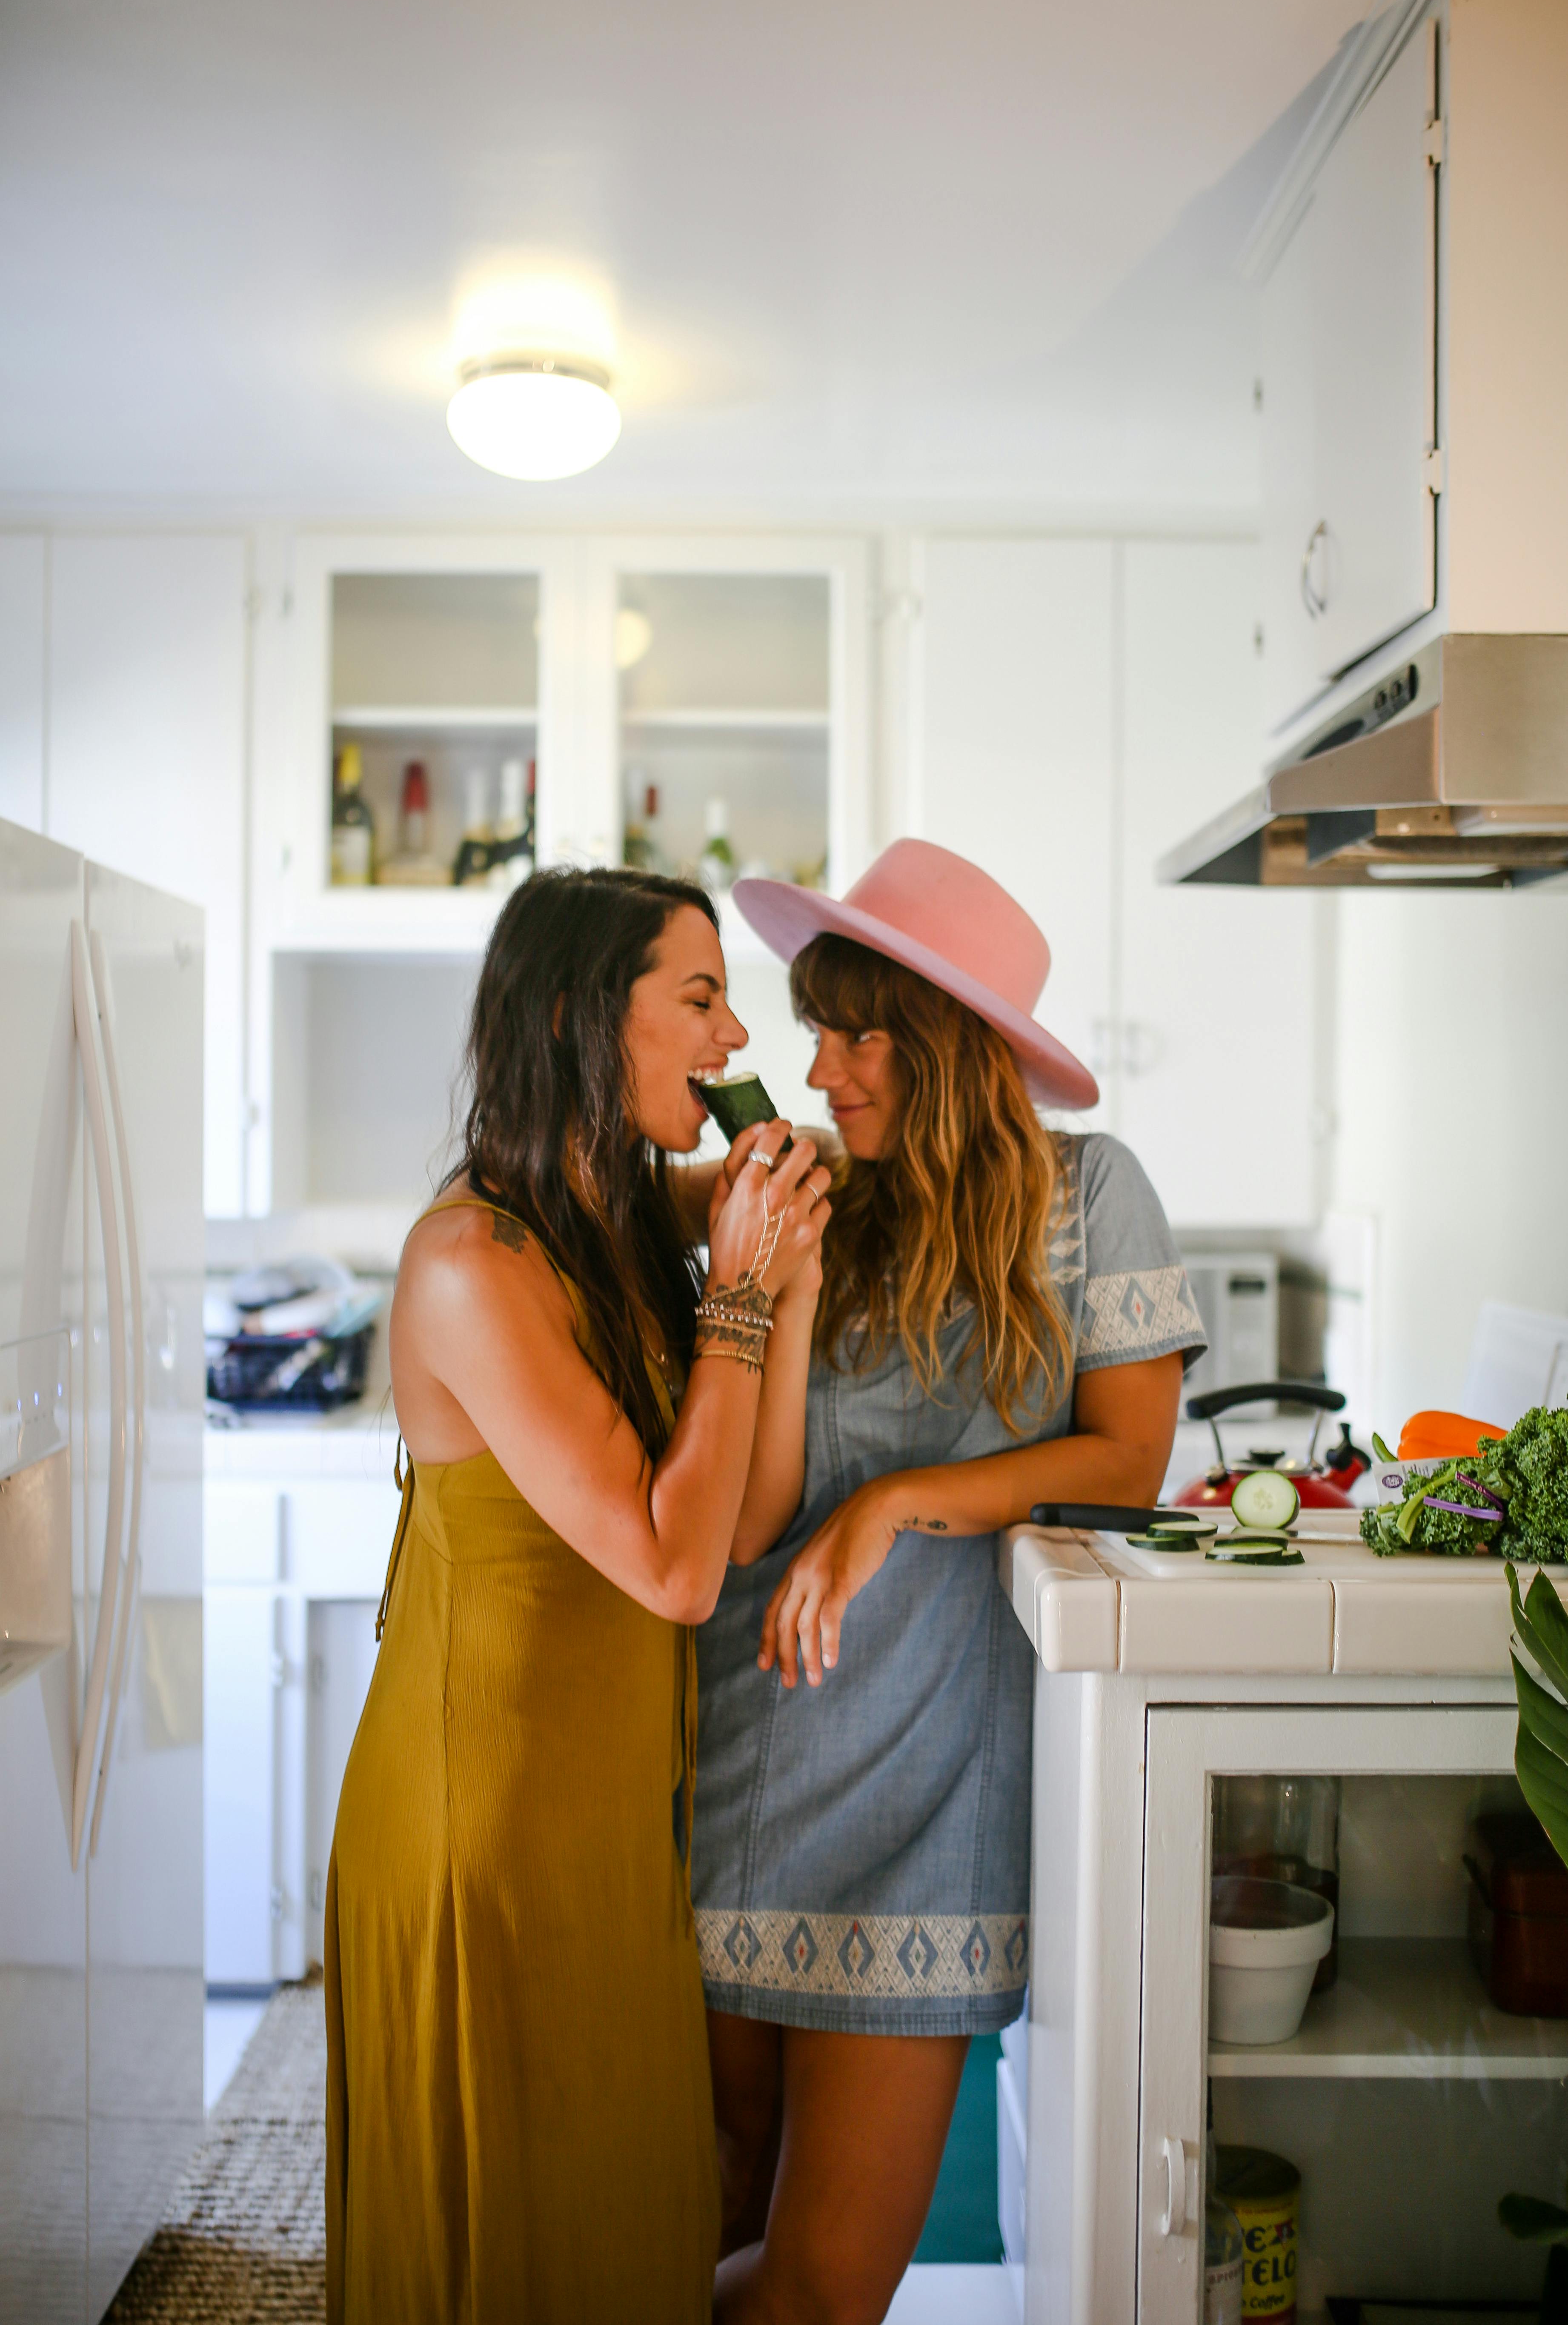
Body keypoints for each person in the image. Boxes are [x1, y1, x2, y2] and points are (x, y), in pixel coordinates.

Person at [691, 838, 1207, 2325]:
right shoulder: (817, 1206)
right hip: (756, 1759)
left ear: (958, 1047)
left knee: (824, 2289)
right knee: (682, 2235)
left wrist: (907, 1505)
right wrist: (776, 1290)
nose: (826, 1070)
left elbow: (1125, 1457)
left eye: (864, 1035)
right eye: (820, 1032)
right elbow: (753, 1525)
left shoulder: (1090, 1196)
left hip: (940, 1798)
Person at [323, 868, 832, 2325]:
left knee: (623, 2235)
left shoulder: (611, 1224)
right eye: (698, 998)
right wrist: (739, 1292)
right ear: (573, 1016)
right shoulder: (469, 1266)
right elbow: (676, 1575)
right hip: (479, 1838)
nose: (739, 1038)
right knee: (505, 2251)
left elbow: (741, 1523)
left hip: (606, 1823)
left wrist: (780, 1295)